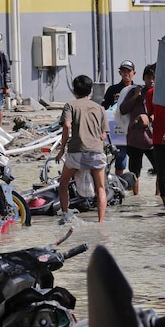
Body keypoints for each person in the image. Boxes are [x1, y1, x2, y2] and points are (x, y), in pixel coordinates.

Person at [55, 75, 110, 224]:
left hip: (76, 151)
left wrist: (61, 150)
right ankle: (101, 222)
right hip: (97, 151)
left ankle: (65, 214)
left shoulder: (70, 105)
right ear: (90, 90)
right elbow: (104, 134)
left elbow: (66, 126)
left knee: (64, 182)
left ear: (74, 90)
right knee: (101, 187)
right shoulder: (99, 108)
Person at [119, 63, 156, 196]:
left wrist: (151, 118)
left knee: (160, 170)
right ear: (144, 78)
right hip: (135, 138)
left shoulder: (161, 94)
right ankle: (136, 197)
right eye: (148, 77)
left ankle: (159, 196)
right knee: (135, 171)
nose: (151, 80)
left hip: (153, 139)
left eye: (153, 77)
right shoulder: (135, 92)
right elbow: (123, 110)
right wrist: (135, 96)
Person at [144, 63, 165, 210]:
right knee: (162, 173)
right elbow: (152, 112)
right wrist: (148, 120)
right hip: (158, 138)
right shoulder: (151, 93)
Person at [101, 59, 136, 174]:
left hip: (134, 129)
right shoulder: (113, 90)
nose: (126, 73)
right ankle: (119, 185)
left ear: (134, 73)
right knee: (120, 158)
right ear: (119, 73)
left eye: (129, 71)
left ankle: (134, 189)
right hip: (119, 130)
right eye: (123, 71)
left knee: (136, 161)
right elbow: (104, 109)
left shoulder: (138, 89)